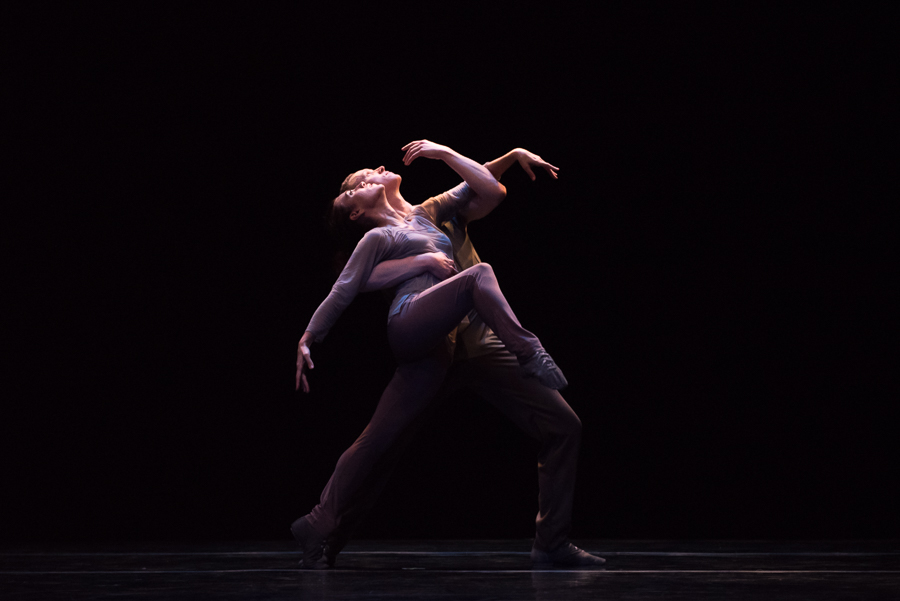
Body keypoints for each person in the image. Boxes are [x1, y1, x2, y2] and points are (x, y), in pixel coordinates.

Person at [293, 140, 580, 569]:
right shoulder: (379, 235)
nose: (373, 172)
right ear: (355, 208)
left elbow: (489, 188)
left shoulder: (429, 212)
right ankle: (529, 348)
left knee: (563, 426)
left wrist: (469, 154)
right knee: (383, 445)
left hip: (463, 344)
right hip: (422, 331)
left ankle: (317, 526)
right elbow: (347, 284)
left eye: (365, 177)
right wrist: (309, 336)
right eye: (358, 183)